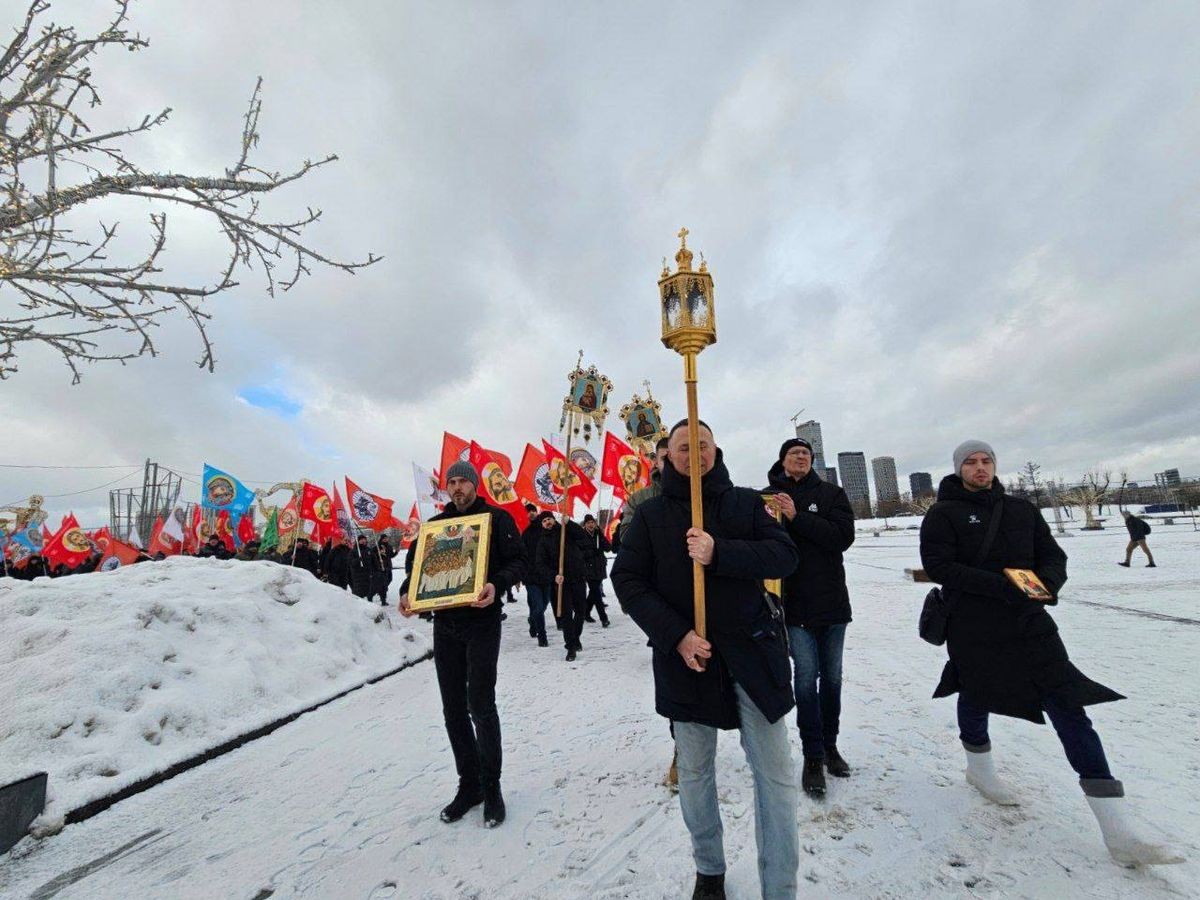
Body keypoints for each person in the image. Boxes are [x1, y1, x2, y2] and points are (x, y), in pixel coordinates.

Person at [920, 440, 1182, 867]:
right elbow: (940, 566)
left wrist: (1048, 586)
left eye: (986, 461)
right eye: (971, 462)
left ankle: (1119, 833)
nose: (980, 468)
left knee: (1068, 703)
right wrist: (1004, 586)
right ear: (958, 469)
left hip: (1030, 622)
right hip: (974, 624)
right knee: (973, 692)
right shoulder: (942, 513)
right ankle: (980, 771)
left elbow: (1052, 555)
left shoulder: (1021, 509)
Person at [612, 420, 801, 900]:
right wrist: (676, 636)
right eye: (682, 447)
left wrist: (721, 552)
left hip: (753, 655)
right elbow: (628, 582)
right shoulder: (652, 516)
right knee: (695, 774)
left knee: (775, 776)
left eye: (702, 444)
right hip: (688, 661)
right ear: (666, 457)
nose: (693, 453)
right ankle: (709, 868)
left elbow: (783, 557)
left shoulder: (744, 504)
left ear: (715, 449)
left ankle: (779, 884)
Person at [399, 460, 526, 828]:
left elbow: (519, 561)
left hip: (483, 622)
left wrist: (496, 585)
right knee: (452, 709)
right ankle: (469, 784)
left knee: (480, 706)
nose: (456, 488)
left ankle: (492, 785)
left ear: (474, 485)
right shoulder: (436, 527)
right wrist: (408, 594)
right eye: (451, 482)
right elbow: (415, 569)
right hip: (445, 625)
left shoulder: (496, 520)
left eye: (462, 482)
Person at [764, 437, 856, 798]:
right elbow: (763, 542)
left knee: (831, 680)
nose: (800, 457)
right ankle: (812, 756)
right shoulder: (768, 498)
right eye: (793, 453)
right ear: (783, 460)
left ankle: (831, 746)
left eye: (806, 453)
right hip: (794, 606)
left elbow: (841, 537)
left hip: (832, 603)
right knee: (805, 680)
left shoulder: (832, 494)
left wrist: (798, 517)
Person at [536, 514, 592, 661]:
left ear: (554, 519)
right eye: (544, 521)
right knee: (566, 615)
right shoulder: (543, 541)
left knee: (581, 611)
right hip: (562, 583)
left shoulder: (566, 530)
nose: (547, 522)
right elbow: (541, 564)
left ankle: (575, 637)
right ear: (542, 524)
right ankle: (571, 647)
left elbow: (582, 537)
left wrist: (569, 523)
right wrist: (554, 576)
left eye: (549, 519)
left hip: (578, 577)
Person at [522, 510, 554, 647]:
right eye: (528, 512)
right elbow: (521, 554)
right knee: (539, 605)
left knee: (545, 603)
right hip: (531, 576)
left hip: (546, 576)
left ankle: (532, 619)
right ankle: (542, 636)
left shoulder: (549, 533)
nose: (531, 514)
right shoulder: (526, 533)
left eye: (533, 511)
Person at [581, 513, 611, 627]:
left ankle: (585, 612)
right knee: (597, 593)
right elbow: (579, 552)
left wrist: (602, 536)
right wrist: (590, 552)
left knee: (593, 593)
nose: (591, 524)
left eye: (592, 522)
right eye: (588, 523)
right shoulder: (582, 535)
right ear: (585, 525)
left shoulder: (598, 534)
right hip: (588, 569)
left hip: (599, 567)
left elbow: (608, 548)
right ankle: (604, 618)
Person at [349, 534, 380, 599]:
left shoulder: (369, 550)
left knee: (369, 591)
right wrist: (358, 559)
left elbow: (374, 561)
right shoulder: (353, 551)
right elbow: (351, 563)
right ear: (358, 541)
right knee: (359, 592)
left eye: (364, 539)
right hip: (358, 576)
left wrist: (377, 570)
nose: (363, 541)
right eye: (361, 539)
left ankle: (369, 603)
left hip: (368, 574)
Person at [372, 534, 396, 604]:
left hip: (388, 566)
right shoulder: (378, 546)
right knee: (383, 582)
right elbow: (373, 554)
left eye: (386, 538)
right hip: (381, 567)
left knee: (390, 579)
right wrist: (378, 553)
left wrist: (396, 552)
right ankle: (382, 596)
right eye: (384, 538)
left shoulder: (389, 546)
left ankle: (381, 590)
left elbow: (391, 555)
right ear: (381, 539)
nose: (385, 539)